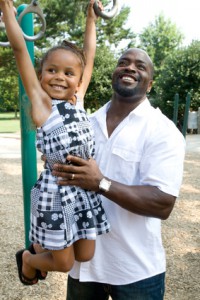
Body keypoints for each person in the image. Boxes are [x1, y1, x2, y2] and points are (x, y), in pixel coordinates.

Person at [52, 47, 186, 298]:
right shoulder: (86, 122)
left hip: (136, 271)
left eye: (140, 66)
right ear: (114, 74)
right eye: (123, 62)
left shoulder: (163, 132)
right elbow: (69, 178)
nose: (130, 67)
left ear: (149, 85)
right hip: (84, 266)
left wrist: (100, 182)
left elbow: (162, 204)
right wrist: (57, 163)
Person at [0, 0, 110, 286]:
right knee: (65, 262)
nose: (60, 77)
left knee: (85, 254)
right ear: (41, 75)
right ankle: (29, 259)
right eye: (52, 70)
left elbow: (90, 53)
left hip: (83, 191)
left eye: (69, 73)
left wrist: (90, 19)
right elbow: (19, 49)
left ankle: (42, 247)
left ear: (78, 81)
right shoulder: (42, 106)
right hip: (57, 193)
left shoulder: (79, 100)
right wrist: (5, 9)